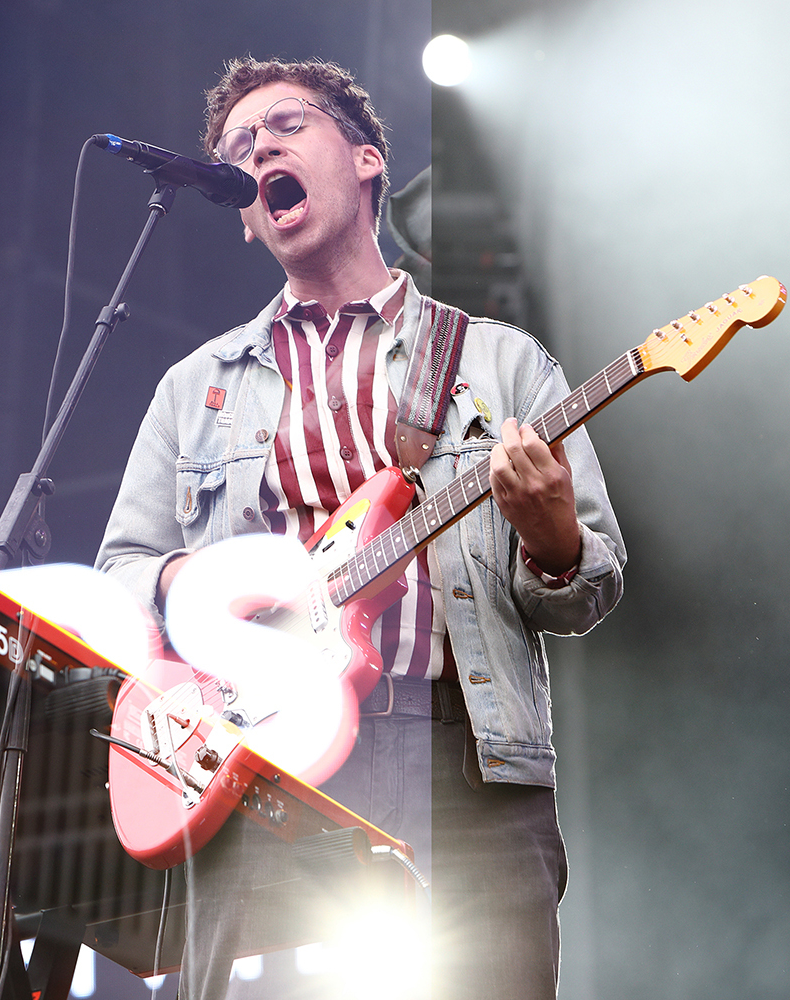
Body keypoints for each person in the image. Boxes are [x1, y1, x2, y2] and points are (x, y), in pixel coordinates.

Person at [96, 57, 625, 999]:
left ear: (367, 158)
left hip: (465, 763)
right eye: (235, 150)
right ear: (249, 212)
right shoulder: (195, 388)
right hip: (261, 763)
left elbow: (589, 586)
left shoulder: (499, 365)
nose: (256, 148)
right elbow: (123, 568)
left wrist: (550, 532)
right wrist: (197, 590)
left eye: (286, 125)